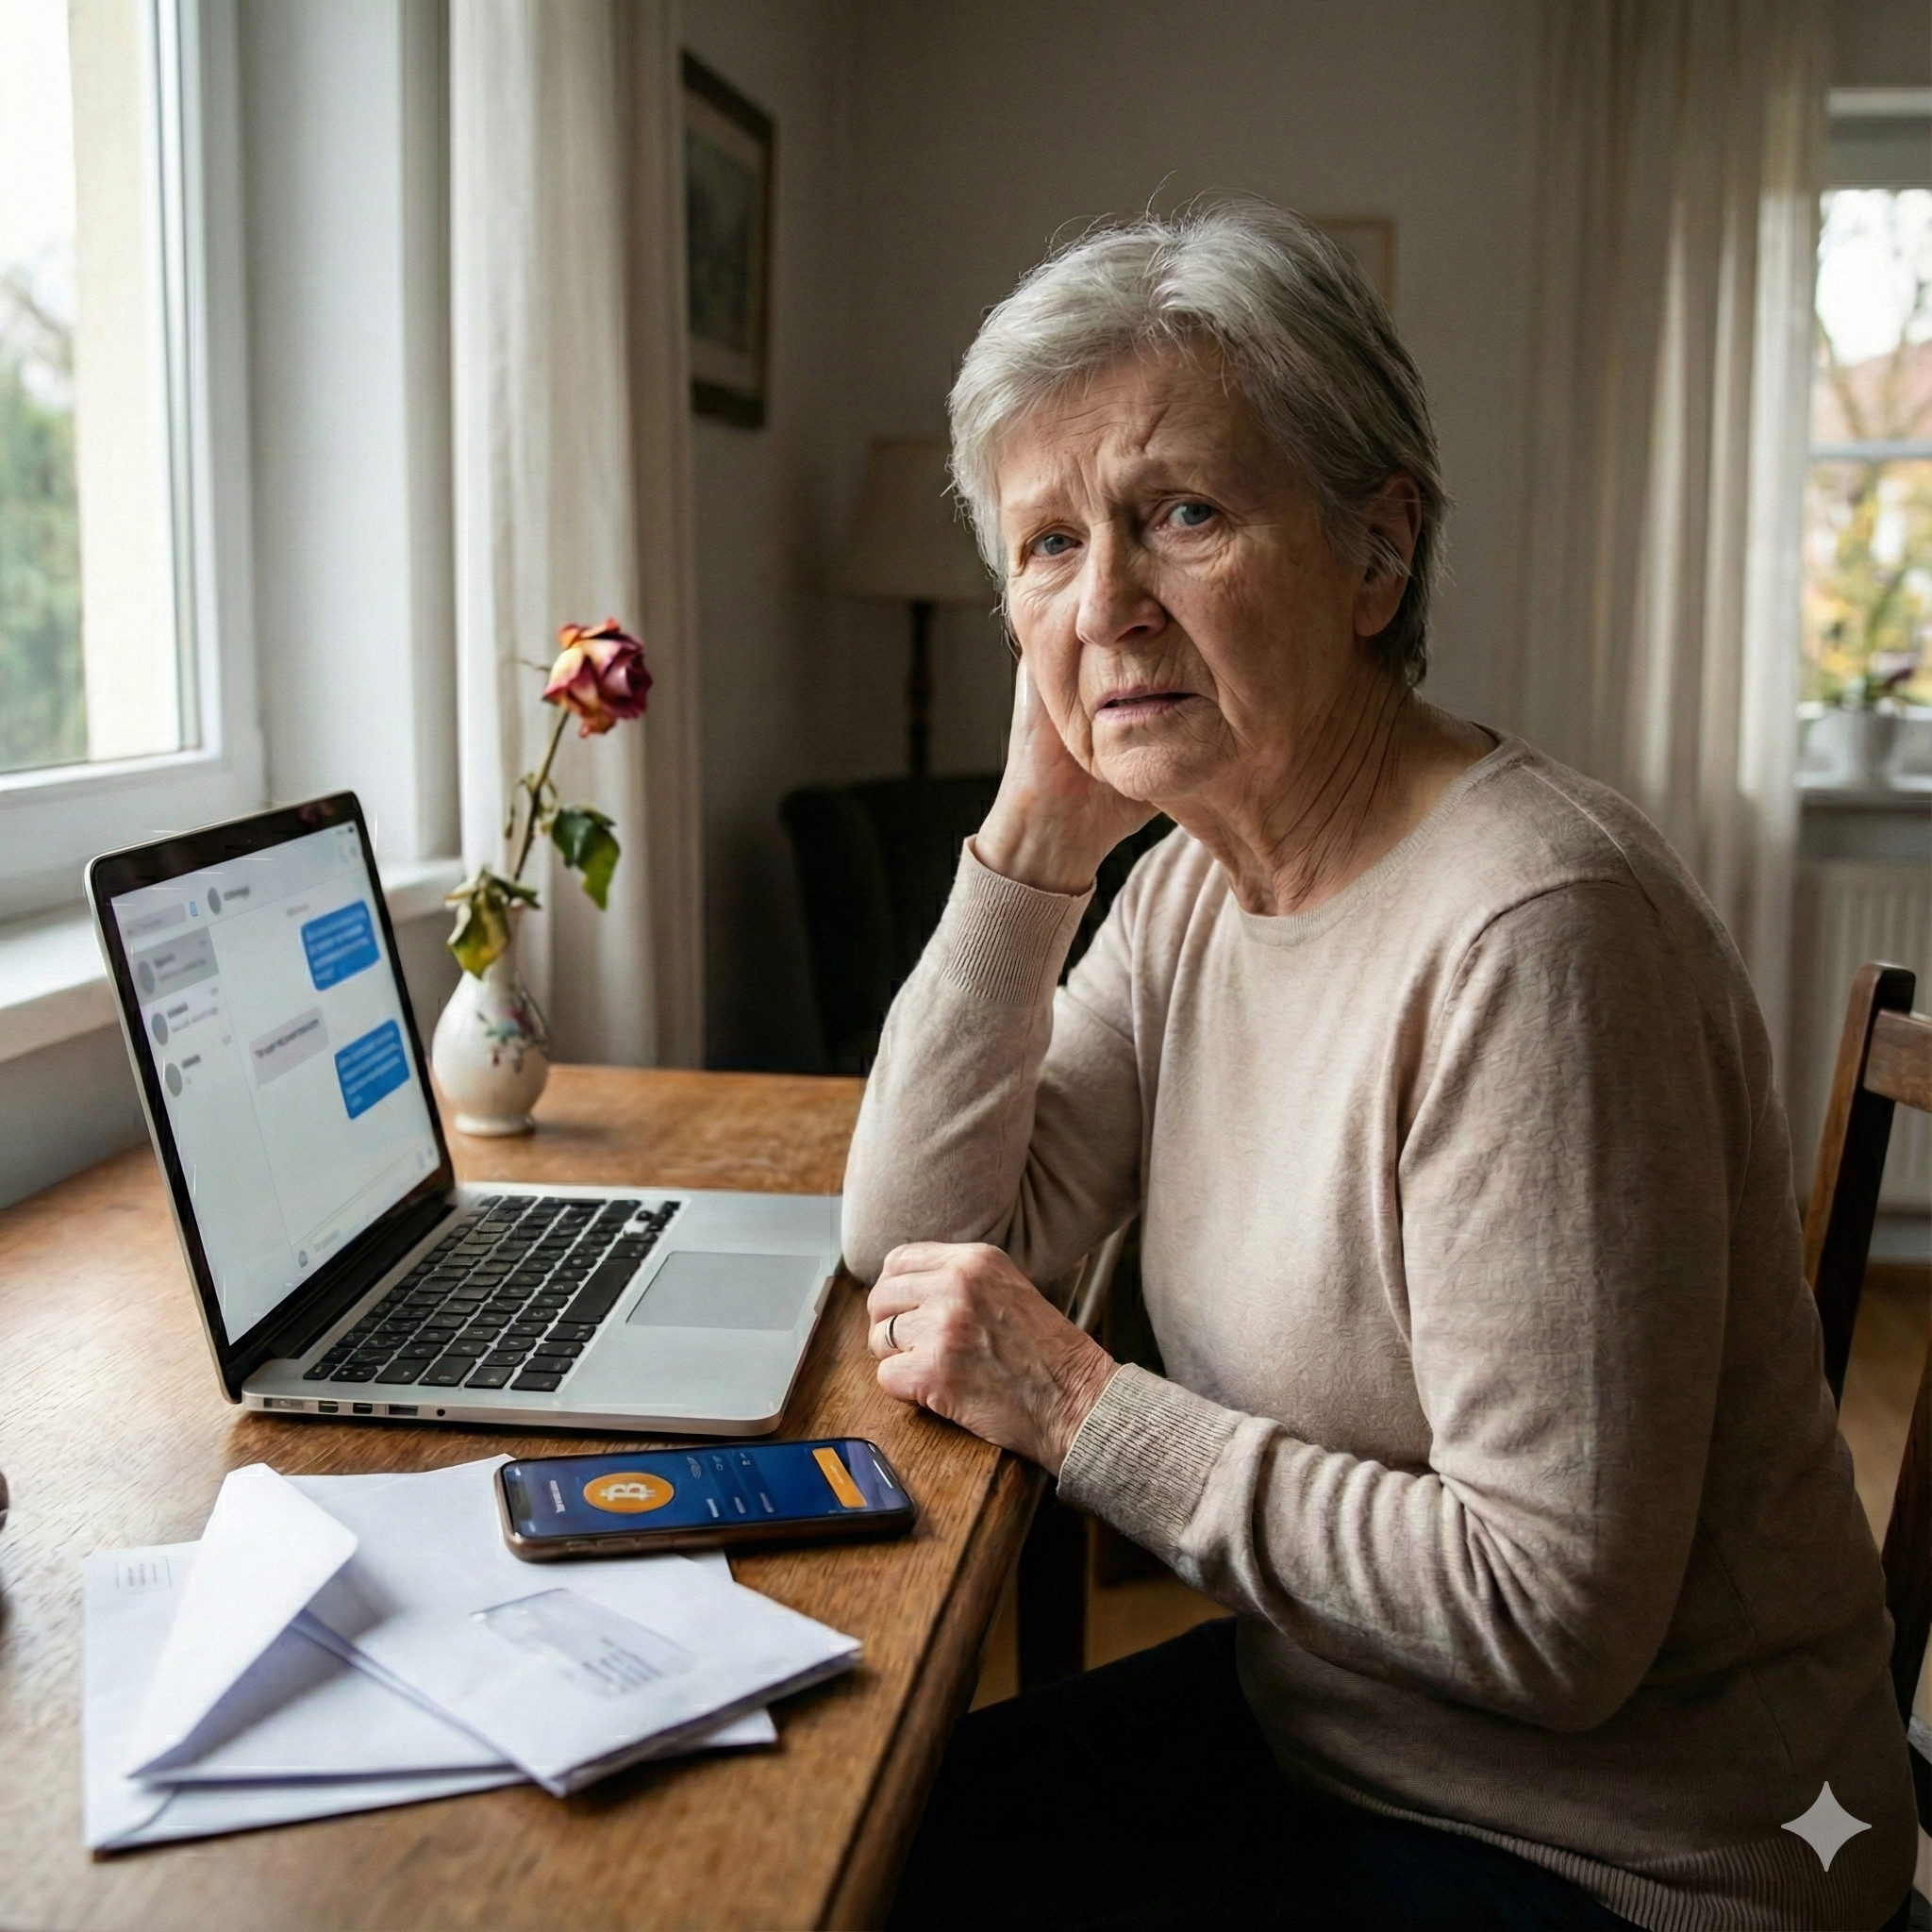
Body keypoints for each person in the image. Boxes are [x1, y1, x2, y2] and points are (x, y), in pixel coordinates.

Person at [840, 202, 1919, 1931]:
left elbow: (1548, 1620)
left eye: (1180, 514)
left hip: (1640, 1858)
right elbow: (910, 1236)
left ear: (1374, 553)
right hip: (1342, 1738)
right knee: (847, 1862)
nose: (1105, 603)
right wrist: (1032, 842)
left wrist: (1078, 1407)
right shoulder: (1194, 878)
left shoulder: (1538, 935)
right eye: (1047, 547)